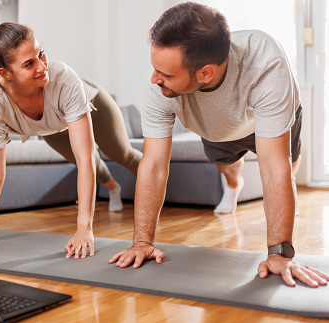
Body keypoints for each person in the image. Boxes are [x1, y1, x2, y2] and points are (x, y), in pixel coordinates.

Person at [109, 2, 329, 287]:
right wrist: (141, 242)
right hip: (216, 127)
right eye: (154, 67)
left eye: (166, 73)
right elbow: (152, 166)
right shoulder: (158, 86)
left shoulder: (265, 61)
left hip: (268, 114)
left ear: (205, 73)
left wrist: (279, 254)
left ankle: (289, 201)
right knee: (227, 167)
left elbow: (274, 167)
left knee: (288, 164)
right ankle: (234, 186)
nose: (154, 78)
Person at [0, 18, 142, 259]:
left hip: (95, 105)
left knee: (120, 154)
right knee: (93, 164)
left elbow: (85, 158)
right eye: (29, 63)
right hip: (53, 129)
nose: (42, 67)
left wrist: (84, 230)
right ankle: (114, 188)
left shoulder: (63, 77)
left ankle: (157, 185)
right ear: (5, 73)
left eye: (41, 53)